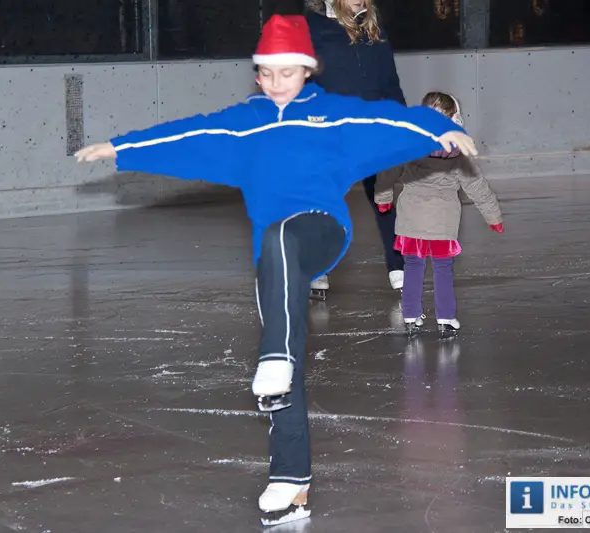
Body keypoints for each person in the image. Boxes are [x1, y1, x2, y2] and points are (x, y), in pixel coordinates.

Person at [74, 15, 477, 526]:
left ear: (307, 71)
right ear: (258, 74)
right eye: (269, 73)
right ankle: (290, 483)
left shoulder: (332, 116)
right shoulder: (244, 123)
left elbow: (389, 123)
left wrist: (442, 128)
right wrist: (120, 148)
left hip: (319, 230)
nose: (279, 81)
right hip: (273, 258)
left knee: (279, 285)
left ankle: (276, 360)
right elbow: (189, 135)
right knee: (284, 367)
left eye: (290, 72)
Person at [374, 91, 502, 339]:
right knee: (443, 269)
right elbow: (476, 185)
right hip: (443, 222)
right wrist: (493, 216)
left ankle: (411, 315)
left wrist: (383, 200)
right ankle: (446, 318)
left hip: (411, 219)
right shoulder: (459, 152)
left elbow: (387, 174)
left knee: (413, 266)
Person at [305, 0, 408, 297]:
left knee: (383, 196)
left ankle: (397, 266)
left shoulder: (374, 28)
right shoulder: (313, 28)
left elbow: (390, 81)